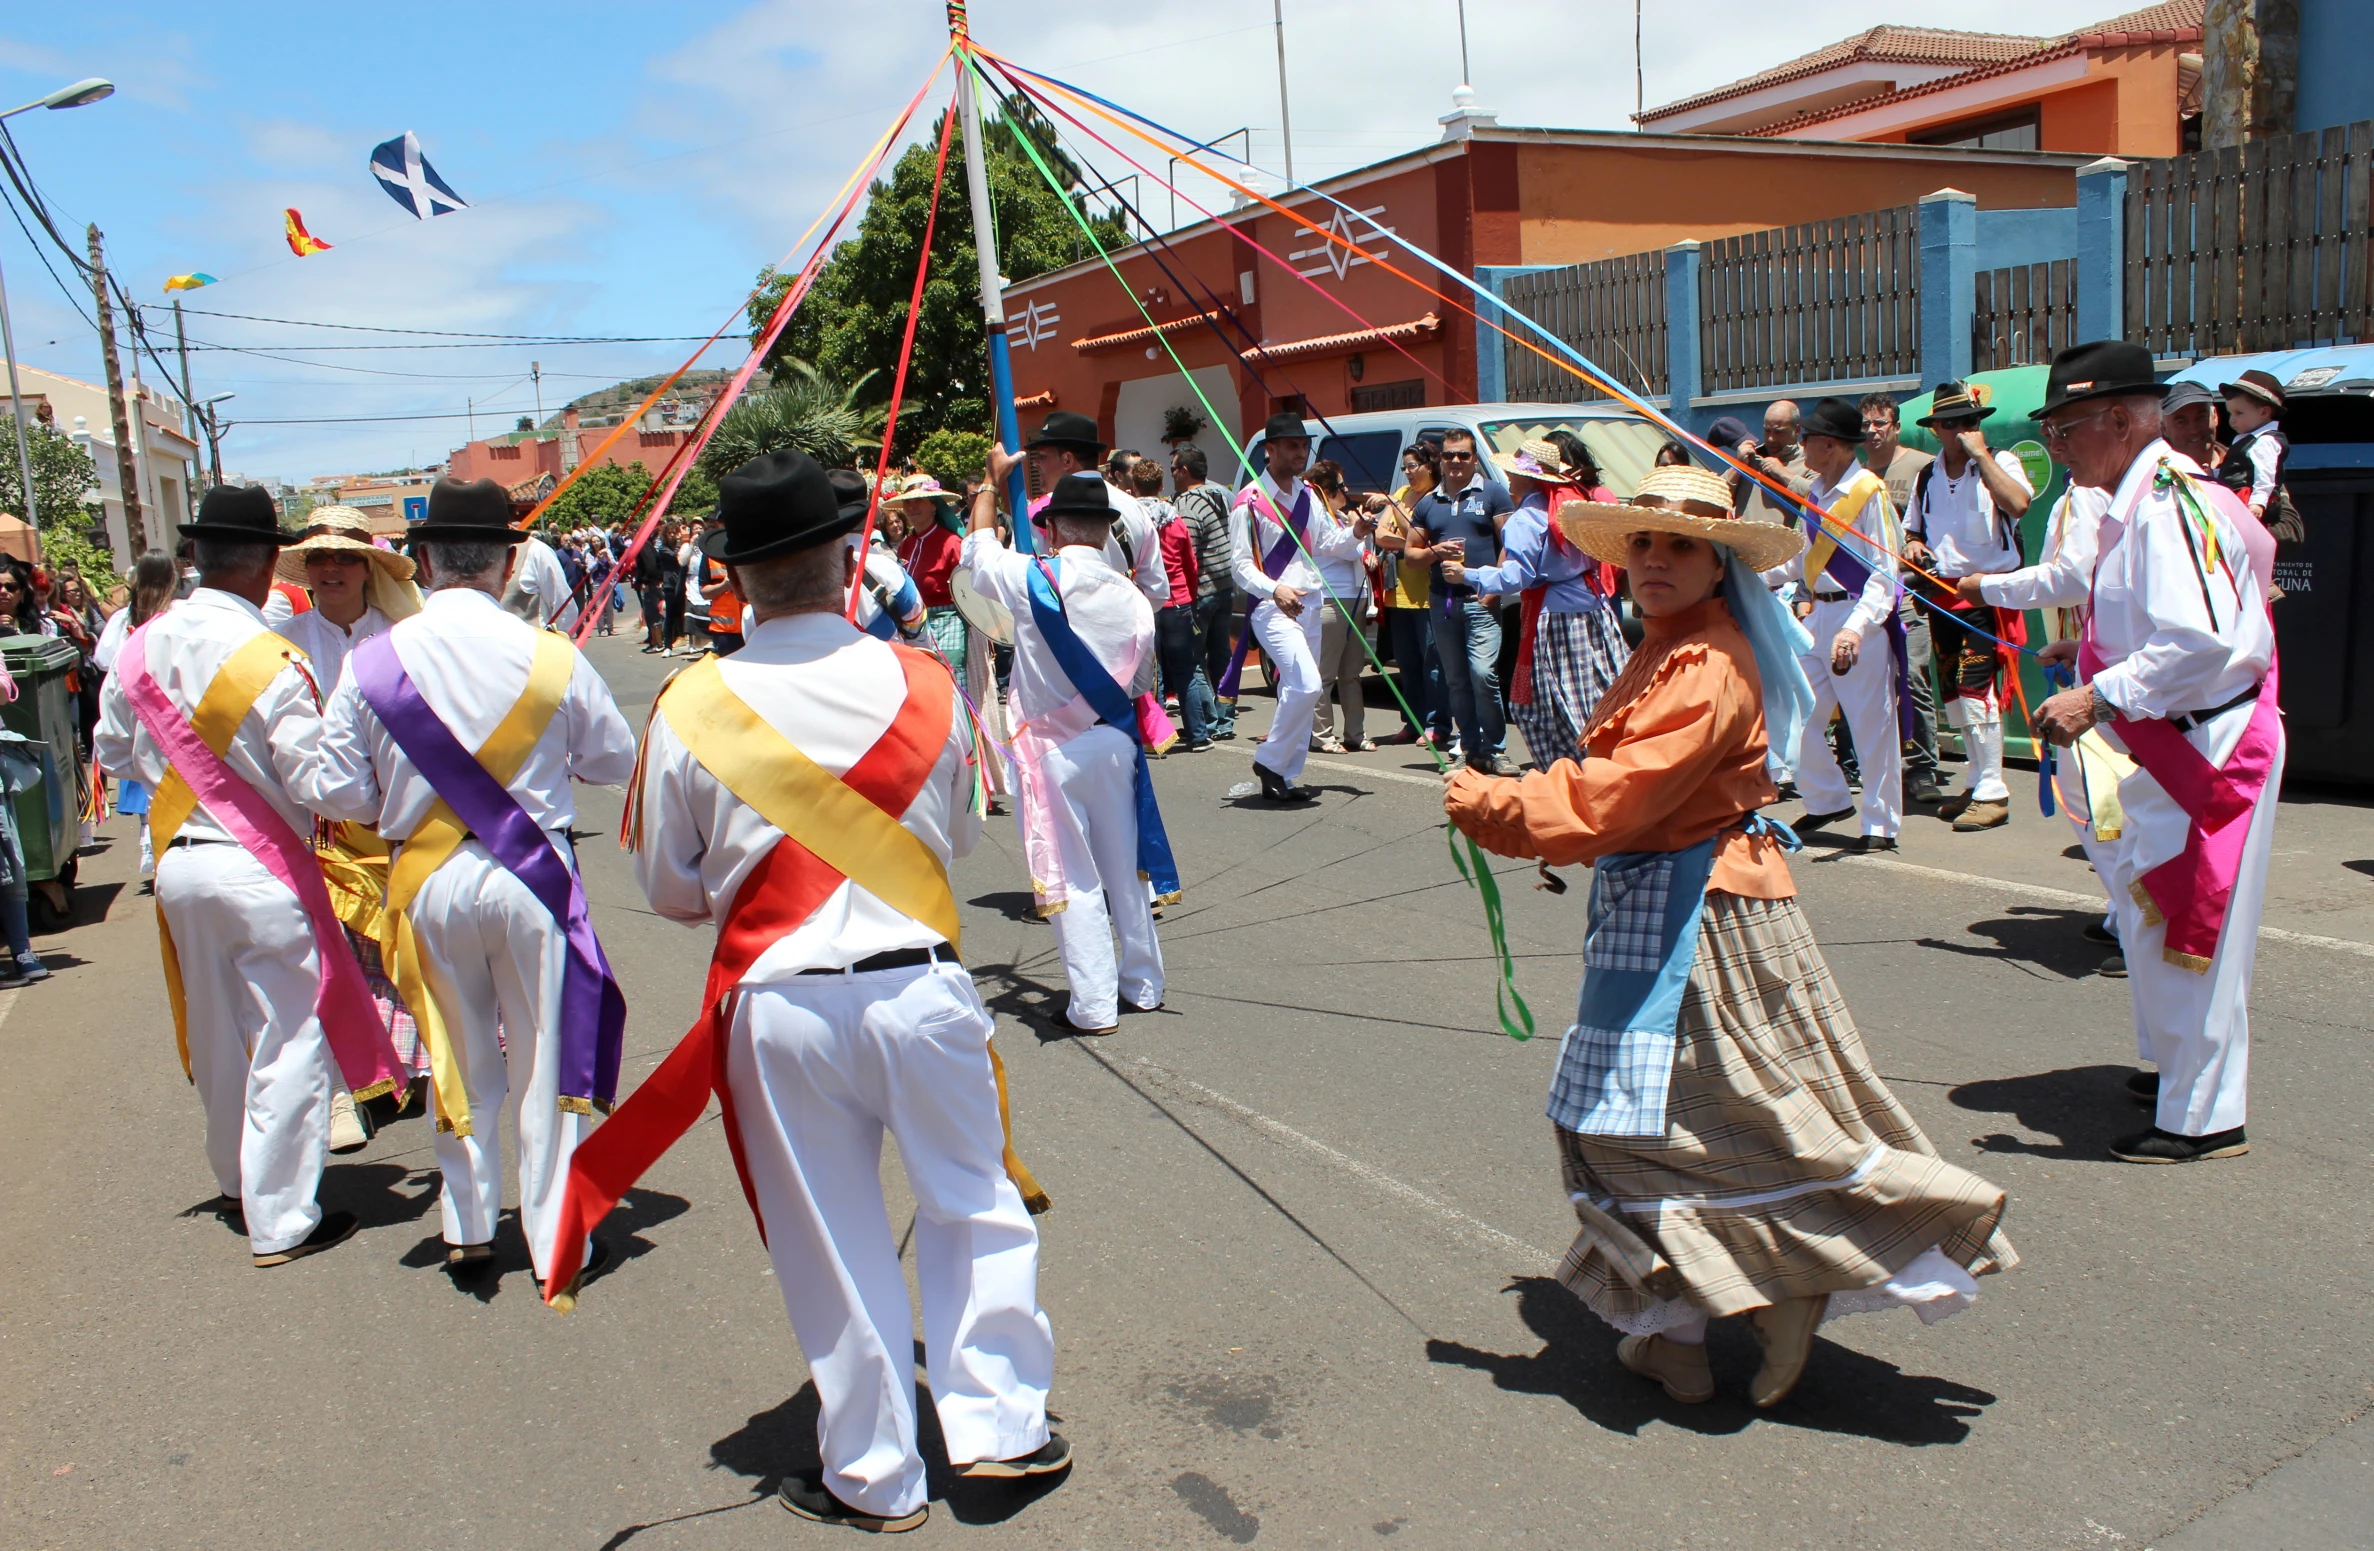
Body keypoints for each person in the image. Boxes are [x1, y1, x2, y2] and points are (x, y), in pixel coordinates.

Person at [553, 448, 1064, 1531]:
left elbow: (671, 889)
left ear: (733, 579)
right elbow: (963, 837)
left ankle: (877, 1476)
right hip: (920, 990)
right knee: (973, 1205)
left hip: (777, 1003)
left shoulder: (690, 704)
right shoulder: (924, 682)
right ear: (846, 559)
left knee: (830, 1239)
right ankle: (1002, 1434)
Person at [1443, 461, 2015, 1408]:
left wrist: (1497, 804)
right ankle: (1683, 1333)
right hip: (1666, 900)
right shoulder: (1668, 648)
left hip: (1699, 919)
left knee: (1685, 1128)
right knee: (1660, 1129)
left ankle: (1807, 1276)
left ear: (1720, 567)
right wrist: (1560, 826)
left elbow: (1612, 795)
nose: (1657, 560)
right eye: (1646, 543)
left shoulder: (1703, 662)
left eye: (1682, 546)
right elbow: (1619, 792)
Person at [299, 476, 639, 1284]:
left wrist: (397, 792)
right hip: (535, 875)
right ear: (510, 559)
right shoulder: (551, 653)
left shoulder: (372, 660)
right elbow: (616, 758)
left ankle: (468, 1221)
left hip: (426, 874)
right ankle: (558, 1233)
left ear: (421, 559)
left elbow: (331, 785)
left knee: (455, 1050)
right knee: (545, 1056)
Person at [94, 485, 400, 1267]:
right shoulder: (272, 655)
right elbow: (319, 782)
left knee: (217, 1028)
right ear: (269, 563)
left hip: (180, 862)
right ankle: (283, 1217)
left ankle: (236, 1181)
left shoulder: (138, 646)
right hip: (262, 866)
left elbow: (118, 753)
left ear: (195, 556)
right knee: (289, 1034)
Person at [2024, 341, 2280, 1166]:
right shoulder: (2137, 498)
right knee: (2155, 913)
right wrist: (2093, 659)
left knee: (2190, 926)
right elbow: (2160, 625)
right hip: (2172, 736)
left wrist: (2100, 695)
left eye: (2065, 431)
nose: (2057, 450)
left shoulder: (2165, 502)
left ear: (2125, 419)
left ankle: (2203, 1118)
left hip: (2203, 747)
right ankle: (2181, 1072)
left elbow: (2201, 641)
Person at [970, 460, 1172, 1029]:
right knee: (1125, 872)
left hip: (1053, 753)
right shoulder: (1134, 598)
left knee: (1075, 877)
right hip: (1114, 744)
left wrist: (990, 482)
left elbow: (977, 551)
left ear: (1053, 529)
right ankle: (1142, 985)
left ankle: (1092, 1005)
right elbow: (1139, 685)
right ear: (1106, 530)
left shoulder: (1033, 576)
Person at [275, 506, 432, 1145]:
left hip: (399, 824)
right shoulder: (280, 641)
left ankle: (414, 1068)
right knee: (324, 961)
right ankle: (343, 1094)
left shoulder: (404, 637)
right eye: (319, 558)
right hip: (316, 828)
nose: (330, 569)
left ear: (368, 567)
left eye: (344, 557)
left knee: (406, 956)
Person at [1958, 457, 2126, 975]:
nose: (2056, 437)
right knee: (2100, 795)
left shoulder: (2091, 493)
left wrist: (1987, 586)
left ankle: (2146, 916)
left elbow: (2073, 579)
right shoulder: (2098, 491)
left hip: (2113, 667)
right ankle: (2128, 911)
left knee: (2099, 794)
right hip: (2097, 651)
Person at [1763, 397, 1906, 851]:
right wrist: (1751, 575)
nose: (1801, 445)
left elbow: (1885, 572)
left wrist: (1856, 628)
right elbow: (1801, 563)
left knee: (1870, 723)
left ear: (1832, 445)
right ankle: (1827, 799)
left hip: (1856, 615)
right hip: (1818, 613)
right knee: (1798, 710)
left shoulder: (1867, 492)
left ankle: (1880, 824)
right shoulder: (1817, 493)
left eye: (1807, 439)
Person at [1903, 381, 2034, 834]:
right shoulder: (1927, 476)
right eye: (1953, 422)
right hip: (1941, 593)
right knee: (1955, 696)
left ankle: (1995, 789)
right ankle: (1978, 780)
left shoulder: (2001, 461)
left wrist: (1981, 456)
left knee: (1976, 689)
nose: (1963, 429)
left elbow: (2019, 503)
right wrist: (1916, 546)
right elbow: (1913, 531)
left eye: (1971, 421)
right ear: (1936, 427)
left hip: (1985, 592)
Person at [1451, 438, 1628, 771]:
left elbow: (1517, 576)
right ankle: (1608, 759)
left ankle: (1579, 769)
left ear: (1528, 478)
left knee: (1551, 705)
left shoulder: (1529, 518)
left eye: (1514, 472)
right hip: (1592, 608)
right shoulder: (1571, 506)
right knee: (1599, 689)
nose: (1508, 477)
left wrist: (1468, 575)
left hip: (1556, 615)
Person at [1225, 412, 1373, 802]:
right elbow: (1239, 565)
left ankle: (1285, 775)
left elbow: (1329, 545)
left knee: (1300, 690)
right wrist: (1274, 590)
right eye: (1292, 446)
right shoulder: (1250, 502)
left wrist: (1356, 532)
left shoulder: (1309, 496)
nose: (1300, 453)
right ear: (1269, 450)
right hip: (1273, 607)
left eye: (1303, 446)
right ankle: (1270, 761)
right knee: (1308, 684)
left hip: (1310, 603)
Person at [1408, 428, 1517, 775]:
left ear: (1474, 459)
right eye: (1449, 455)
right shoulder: (1428, 503)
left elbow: (1510, 545)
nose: (1456, 461)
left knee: (1483, 674)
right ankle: (1468, 747)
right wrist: (1434, 552)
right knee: (1455, 680)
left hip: (1480, 600)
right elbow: (1411, 554)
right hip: (1443, 602)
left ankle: (1495, 748)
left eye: (1463, 455)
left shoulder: (1493, 494)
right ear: (1440, 459)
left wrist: (1492, 590)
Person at [1860, 393, 1942, 805]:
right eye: (1867, 425)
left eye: (1881, 423)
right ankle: (1859, 764)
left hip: (1909, 590)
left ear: (1896, 426)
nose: (1873, 431)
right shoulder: (1856, 476)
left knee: (1912, 677)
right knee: (1862, 678)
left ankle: (1924, 766)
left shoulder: (1921, 467)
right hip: (1867, 593)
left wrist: (1917, 544)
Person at [1020, 412, 1171, 607]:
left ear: (1067, 460)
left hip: (1062, 634)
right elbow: (1157, 592)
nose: (1035, 463)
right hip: (1125, 630)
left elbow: (1022, 588)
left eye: (1042, 457)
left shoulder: (1037, 514)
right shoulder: (1135, 508)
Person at [1371, 442, 1448, 748]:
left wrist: (1407, 531)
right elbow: (1380, 534)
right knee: (1407, 663)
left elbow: (1418, 533)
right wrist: (1410, 542)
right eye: (1405, 467)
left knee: (1433, 664)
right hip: (1398, 593)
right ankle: (1412, 722)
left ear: (1430, 466)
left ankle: (1437, 723)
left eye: (1412, 466)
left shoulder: (1436, 498)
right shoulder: (1401, 495)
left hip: (1428, 593)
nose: (1407, 473)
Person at [1137, 459, 1216, 750]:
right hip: (1178, 600)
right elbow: (1190, 563)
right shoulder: (1175, 519)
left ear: (1134, 486)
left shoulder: (1130, 519)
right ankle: (1197, 735)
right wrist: (1190, 595)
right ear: (1160, 486)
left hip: (1144, 601)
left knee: (1150, 672)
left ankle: (1157, 736)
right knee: (1186, 670)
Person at [1298, 459, 1372, 754]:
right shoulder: (1317, 516)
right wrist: (1357, 532)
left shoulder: (1341, 515)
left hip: (1355, 596)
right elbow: (1331, 546)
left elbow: (1355, 547)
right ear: (1326, 489)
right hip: (1329, 597)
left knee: (1352, 672)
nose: (1347, 490)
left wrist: (1362, 538)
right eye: (1341, 486)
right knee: (1325, 673)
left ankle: (1356, 732)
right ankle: (1322, 735)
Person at [1170, 444, 1239, 741]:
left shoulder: (1187, 503)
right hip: (1225, 585)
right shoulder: (1219, 495)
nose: (1170, 473)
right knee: (1221, 655)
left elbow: (1188, 553)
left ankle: (1208, 723)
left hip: (1203, 591)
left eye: (1173, 468)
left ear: (1184, 471)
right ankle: (1225, 720)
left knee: (1194, 658)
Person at [892, 474, 964, 678]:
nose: (912, 507)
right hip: (913, 628)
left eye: (919, 500)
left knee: (950, 686)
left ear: (933, 505)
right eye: (908, 502)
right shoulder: (906, 545)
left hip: (948, 626)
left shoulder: (951, 544)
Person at [2216, 369, 2287, 522]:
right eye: (2230, 414)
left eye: (2238, 413)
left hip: (2247, 501)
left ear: (2264, 412)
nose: (2232, 420)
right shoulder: (2244, 439)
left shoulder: (2265, 441)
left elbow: (2265, 475)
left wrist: (2258, 503)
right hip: (2235, 498)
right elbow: (2233, 471)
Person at [1735, 400, 1812, 528]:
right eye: (1767, 431)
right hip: (1744, 545)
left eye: (1778, 432)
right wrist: (1738, 466)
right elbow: (1717, 493)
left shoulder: (1809, 461)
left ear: (1797, 430)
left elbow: (1819, 495)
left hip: (1786, 546)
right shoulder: (1751, 458)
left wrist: (1783, 474)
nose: (1771, 438)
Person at [695, 508, 746, 658]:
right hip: (725, 632)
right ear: (718, 524)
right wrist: (725, 585)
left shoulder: (751, 549)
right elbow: (704, 592)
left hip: (754, 626)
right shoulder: (710, 556)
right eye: (723, 521)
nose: (728, 525)